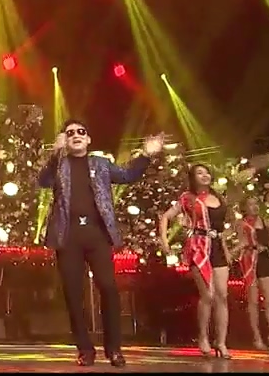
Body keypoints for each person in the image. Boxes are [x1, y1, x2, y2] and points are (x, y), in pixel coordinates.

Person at [38, 119, 164, 367]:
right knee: (73, 294)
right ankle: (85, 349)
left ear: (88, 139)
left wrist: (146, 155)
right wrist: (54, 154)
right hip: (68, 236)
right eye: (70, 133)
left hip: (97, 235)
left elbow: (127, 175)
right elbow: (43, 181)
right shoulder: (59, 165)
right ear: (64, 140)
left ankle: (114, 349)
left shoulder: (100, 163)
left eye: (81, 132)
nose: (75, 135)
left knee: (108, 288)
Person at [158, 159, 266, 360]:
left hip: (217, 247)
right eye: (199, 173)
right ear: (193, 178)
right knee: (207, 295)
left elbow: (226, 226)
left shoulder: (218, 198)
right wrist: (165, 242)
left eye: (206, 172)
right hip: (198, 247)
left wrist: (228, 247)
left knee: (222, 296)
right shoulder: (188, 198)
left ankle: (221, 342)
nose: (204, 175)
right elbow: (166, 217)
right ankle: (203, 336)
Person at [234, 196, 269, 352]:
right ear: (244, 207)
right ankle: (257, 337)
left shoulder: (264, 221)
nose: (254, 207)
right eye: (250, 204)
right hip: (249, 260)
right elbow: (240, 241)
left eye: (256, 204)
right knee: (253, 301)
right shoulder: (241, 224)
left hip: (264, 259)